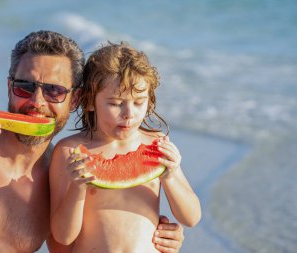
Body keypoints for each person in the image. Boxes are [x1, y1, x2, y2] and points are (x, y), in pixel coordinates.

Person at [0, 31, 185, 252]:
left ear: (77, 99)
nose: (37, 102)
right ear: (9, 86)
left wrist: (158, 237)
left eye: (54, 90)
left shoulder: (61, 171)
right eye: (25, 86)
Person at [50, 42, 201, 253]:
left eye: (138, 102)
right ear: (90, 102)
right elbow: (62, 237)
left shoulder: (156, 145)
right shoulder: (70, 152)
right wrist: (76, 188)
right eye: (115, 103)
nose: (129, 113)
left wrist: (171, 175)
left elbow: (191, 218)